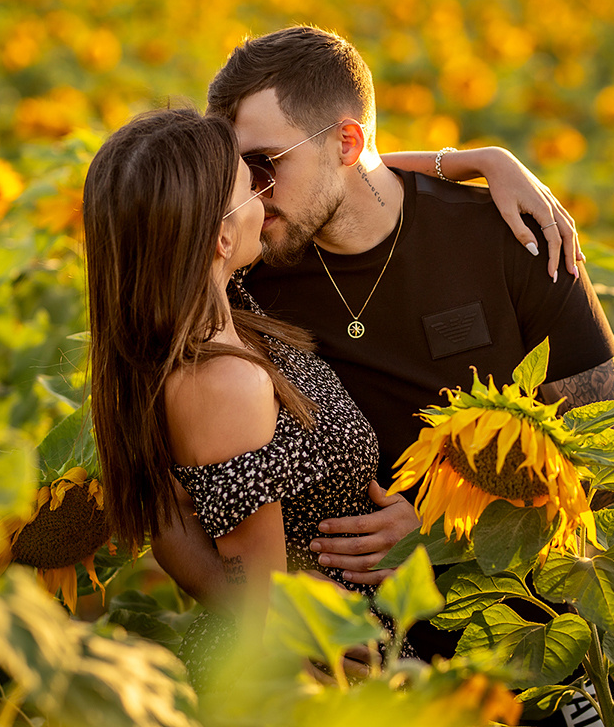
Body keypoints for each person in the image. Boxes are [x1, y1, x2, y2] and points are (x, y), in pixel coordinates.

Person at [150, 26, 614, 669]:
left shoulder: (508, 238)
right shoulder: (241, 268)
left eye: (267, 165)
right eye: (239, 175)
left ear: (347, 142)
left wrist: (452, 530)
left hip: (520, 638)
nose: (251, 195)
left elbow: (613, 468)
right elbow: (165, 506)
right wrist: (277, 632)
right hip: (341, 664)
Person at [84, 107, 419, 689]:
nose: (268, 196)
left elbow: (333, 179)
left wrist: (481, 163)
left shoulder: (223, 314)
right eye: (252, 185)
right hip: (318, 679)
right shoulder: (225, 384)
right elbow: (260, 601)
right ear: (219, 235)